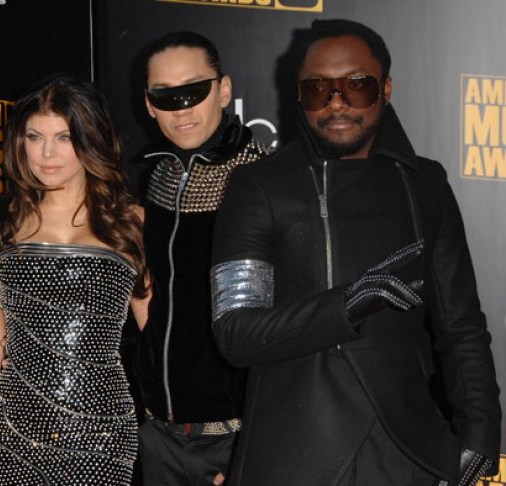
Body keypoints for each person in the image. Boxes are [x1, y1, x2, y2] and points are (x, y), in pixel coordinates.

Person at [210, 18, 501, 486]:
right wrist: (346, 305)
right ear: (299, 96)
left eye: (357, 85)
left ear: (386, 89)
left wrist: (482, 432)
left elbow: (462, 326)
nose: (336, 102)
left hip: (407, 449)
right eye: (317, 89)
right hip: (295, 453)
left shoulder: (425, 184)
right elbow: (236, 333)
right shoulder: (259, 187)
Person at [0, 75, 149, 486]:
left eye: (64, 138)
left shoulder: (130, 223)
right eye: (35, 137)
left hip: (102, 433)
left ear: (89, 140)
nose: (47, 154)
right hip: (13, 431)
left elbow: (154, 332)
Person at [132, 31, 270, 486]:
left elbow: (284, 324)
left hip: (235, 438)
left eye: (194, 91)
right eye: (165, 96)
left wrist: (255, 443)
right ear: (149, 105)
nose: (181, 109)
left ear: (224, 90)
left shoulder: (263, 182)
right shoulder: (158, 178)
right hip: (158, 432)